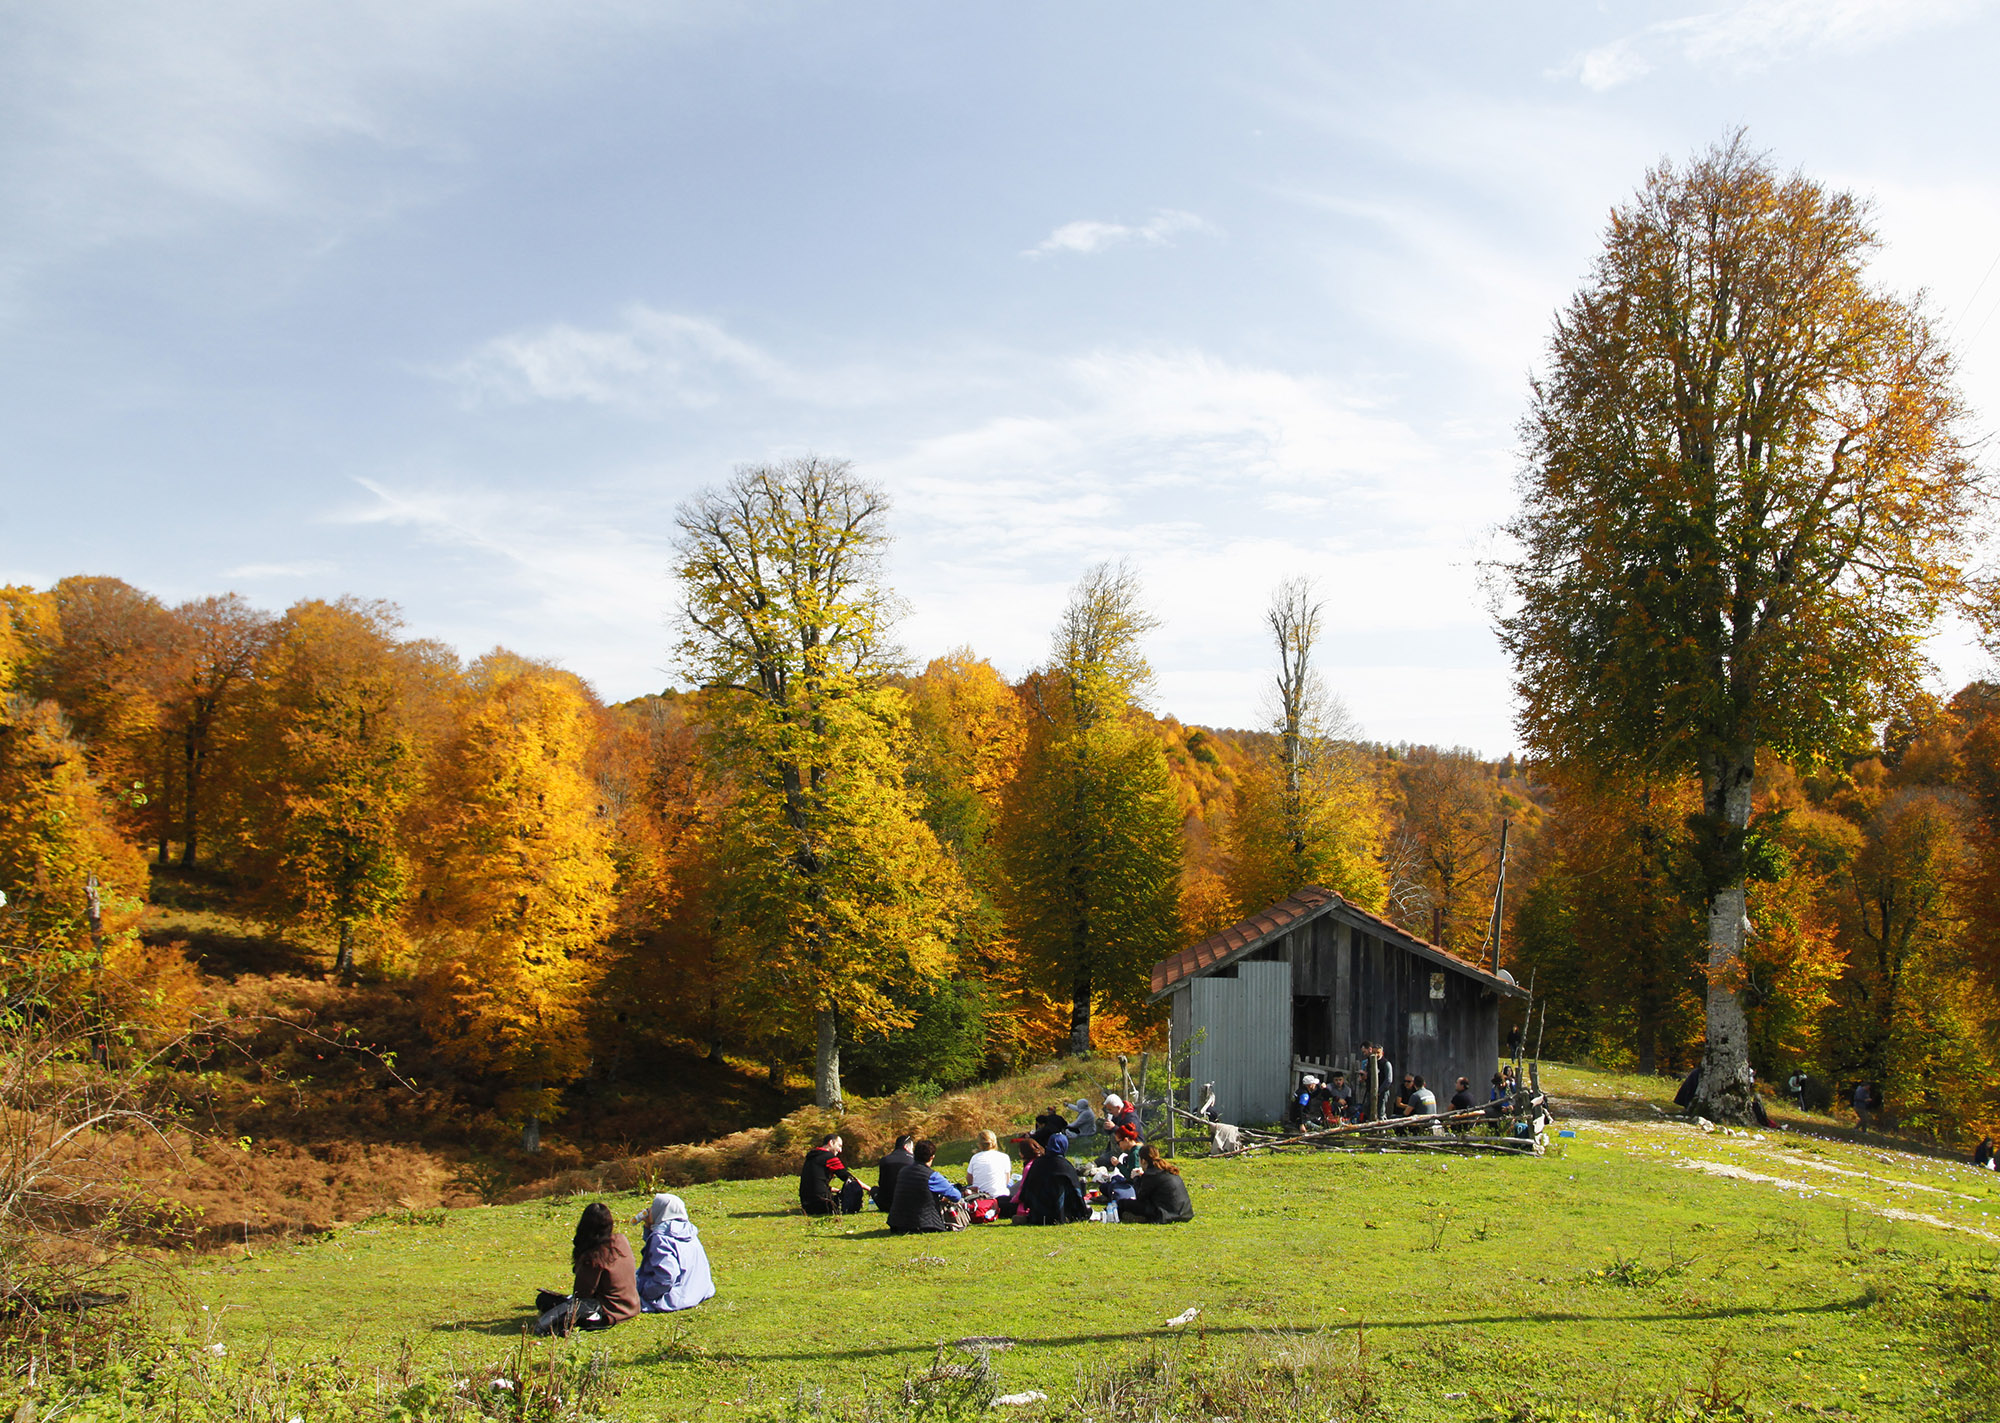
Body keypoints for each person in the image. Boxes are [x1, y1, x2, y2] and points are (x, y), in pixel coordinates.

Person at [533, 1202, 639, 1336]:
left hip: (608, 1313)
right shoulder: (621, 1240)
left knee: (543, 1300)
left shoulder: (594, 1256)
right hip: (632, 1307)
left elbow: (582, 1295)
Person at [633, 1193, 715, 1314]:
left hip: (675, 1297)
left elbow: (666, 1276)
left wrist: (645, 1292)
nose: (650, 1210)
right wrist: (648, 1227)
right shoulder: (687, 1230)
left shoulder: (661, 1238)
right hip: (697, 1289)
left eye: (653, 1207)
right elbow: (655, 1253)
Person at [887, 1140, 967, 1234]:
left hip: (897, 1224)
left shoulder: (903, 1172)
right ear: (932, 1157)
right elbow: (956, 1196)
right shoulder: (932, 1176)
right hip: (923, 1225)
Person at [1018, 1131, 1088, 1225]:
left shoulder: (1037, 1163)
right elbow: (1077, 1194)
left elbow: (1026, 1191)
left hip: (1038, 1215)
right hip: (1061, 1214)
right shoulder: (1065, 1166)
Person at [1123, 1143, 1194, 1224]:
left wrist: (1136, 1178)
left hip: (1165, 1214)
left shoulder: (1151, 1175)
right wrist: (1142, 1176)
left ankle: (1128, 1216)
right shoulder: (1167, 1169)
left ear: (1143, 1161)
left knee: (1124, 1203)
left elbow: (1140, 1198)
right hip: (1185, 1213)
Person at [798, 1133, 865, 1216]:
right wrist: (870, 1190)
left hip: (806, 1204)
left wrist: (836, 1190)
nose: (840, 1150)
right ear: (831, 1143)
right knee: (853, 1189)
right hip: (822, 1204)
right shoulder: (829, 1157)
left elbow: (815, 1183)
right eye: (839, 1146)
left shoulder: (811, 1156)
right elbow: (848, 1177)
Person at [871, 1134, 917, 1213]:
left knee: (874, 1189)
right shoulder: (913, 1160)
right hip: (907, 1205)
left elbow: (881, 1183)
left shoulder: (884, 1160)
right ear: (906, 1147)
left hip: (886, 1205)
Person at [966, 1130, 1013, 1199]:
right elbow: (1007, 1180)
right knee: (1011, 1182)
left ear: (979, 1144)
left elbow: (969, 1179)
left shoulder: (975, 1158)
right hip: (1000, 1196)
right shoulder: (1004, 1157)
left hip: (981, 1196)